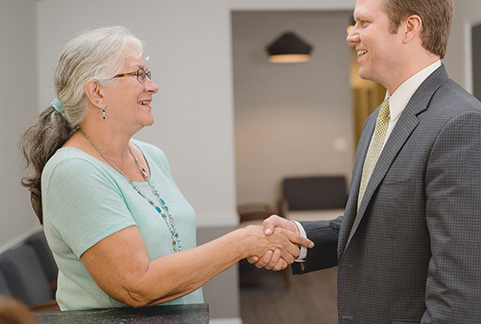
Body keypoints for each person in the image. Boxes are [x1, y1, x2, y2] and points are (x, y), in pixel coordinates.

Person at [250, 0, 481, 323]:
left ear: (409, 28)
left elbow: (461, 295)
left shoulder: (463, 127)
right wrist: (299, 236)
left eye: (363, 23)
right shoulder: (380, 119)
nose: (351, 35)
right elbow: (375, 225)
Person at [19, 26, 313, 311]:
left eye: (148, 74)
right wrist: (244, 241)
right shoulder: (73, 170)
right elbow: (137, 285)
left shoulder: (152, 156)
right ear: (96, 93)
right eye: (138, 74)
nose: (152, 85)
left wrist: (252, 242)